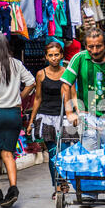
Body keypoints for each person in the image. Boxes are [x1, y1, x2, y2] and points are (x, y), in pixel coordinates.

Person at [0, 33, 35, 207]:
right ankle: (13, 188)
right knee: (8, 153)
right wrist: (19, 98)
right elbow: (31, 82)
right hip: (13, 115)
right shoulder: (16, 64)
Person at [60, 28, 105, 151]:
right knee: (89, 154)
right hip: (87, 114)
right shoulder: (78, 58)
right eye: (90, 47)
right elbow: (65, 84)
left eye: (98, 46)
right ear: (85, 46)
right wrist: (69, 113)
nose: (94, 51)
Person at [27, 42, 75, 199]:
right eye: (50, 55)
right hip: (46, 118)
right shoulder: (41, 74)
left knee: (65, 152)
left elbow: (73, 96)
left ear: (61, 55)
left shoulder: (68, 72)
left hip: (65, 118)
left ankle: (64, 182)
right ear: (46, 57)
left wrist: (77, 114)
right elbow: (38, 98)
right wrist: (31, 121)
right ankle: (58, 186)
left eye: (56, 54)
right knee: (53, 153)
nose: (54, 58)